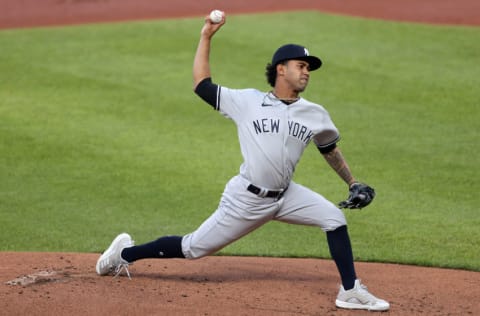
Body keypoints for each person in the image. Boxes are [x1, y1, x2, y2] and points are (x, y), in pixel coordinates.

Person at [96, 12, 389, 311]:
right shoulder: (247, 101)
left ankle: (350, 290)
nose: (307, 72)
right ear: (281, 69)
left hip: (287, 196)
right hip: (246, 200)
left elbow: (329, 149)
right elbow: (201, 84)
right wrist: (206, 36)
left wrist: (352, 182)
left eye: (308, 68)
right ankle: (125, 254)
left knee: (334, 219)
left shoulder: (315, 113)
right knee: (193, 247)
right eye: (301, 66)